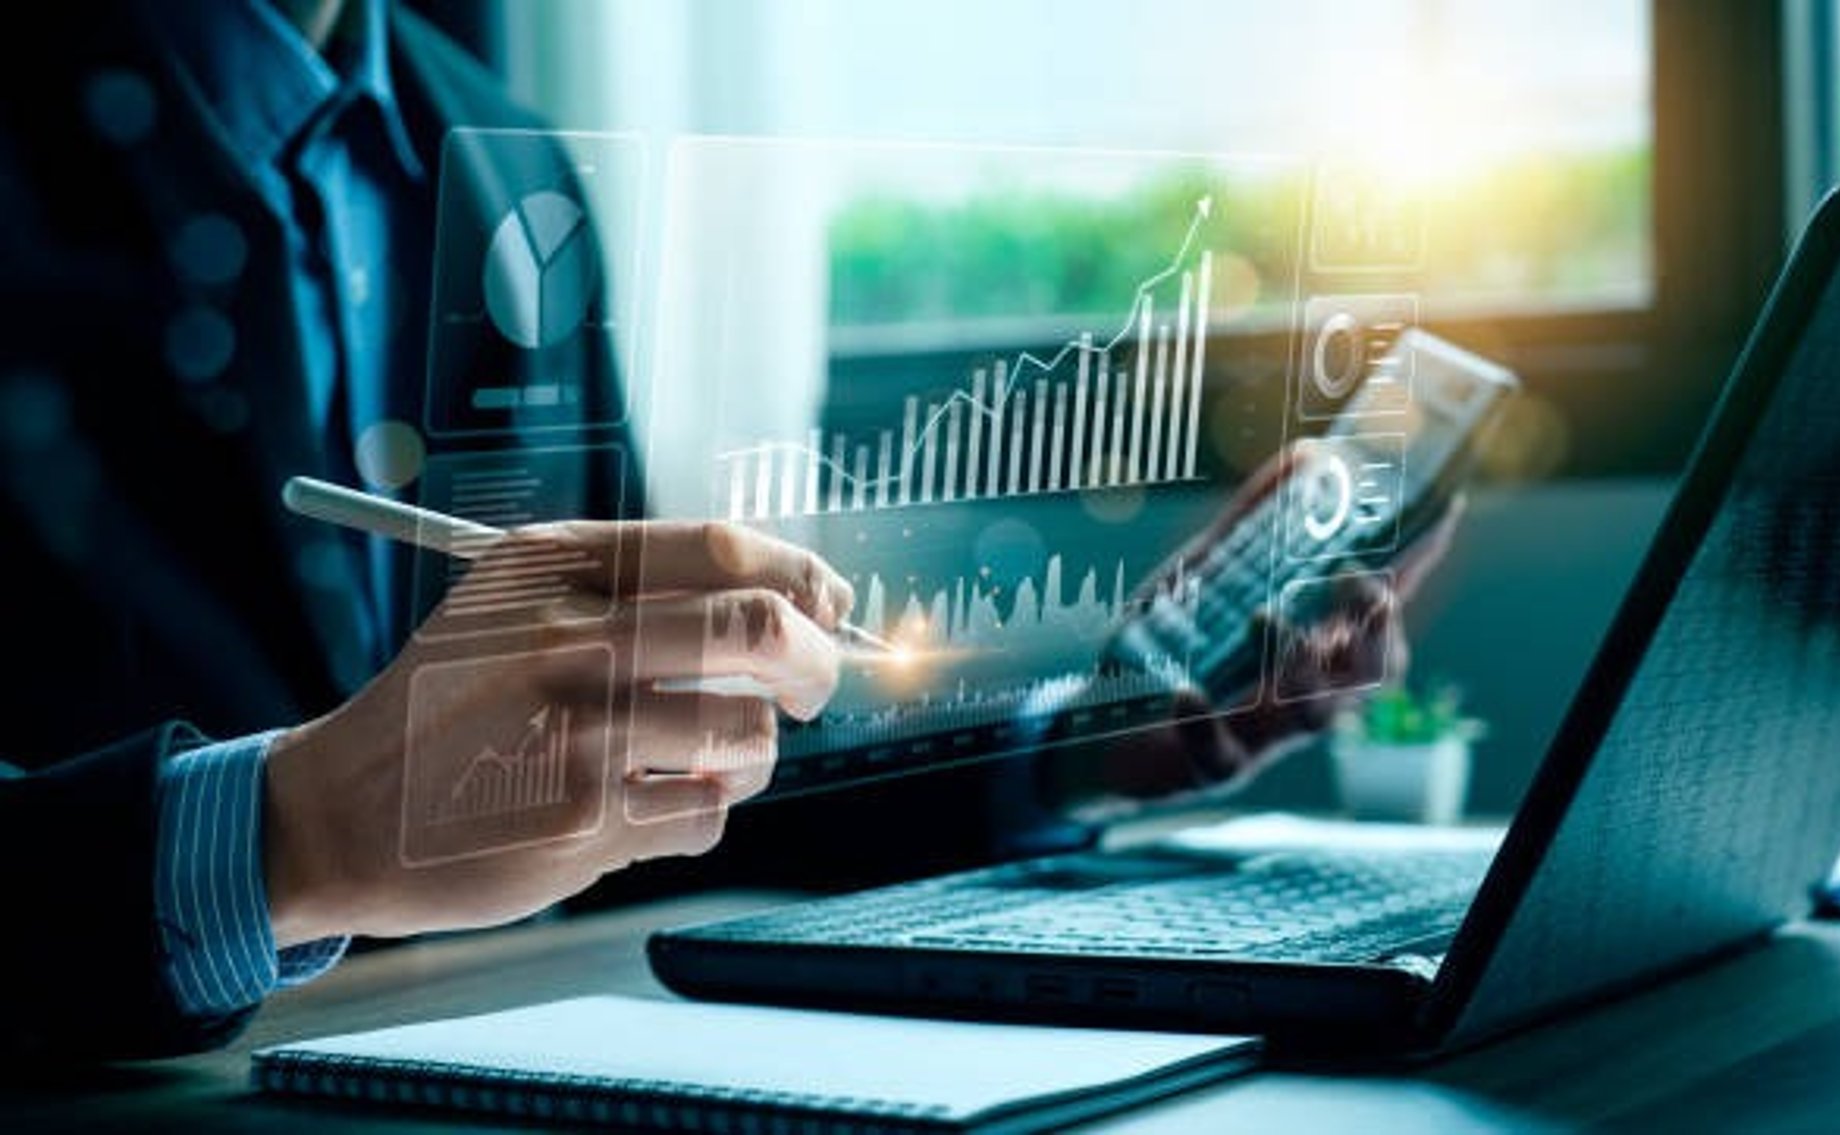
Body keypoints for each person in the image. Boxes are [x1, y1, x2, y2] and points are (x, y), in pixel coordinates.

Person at [0, 0, 1447, 1062]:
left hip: (459, 1059)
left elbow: (639, 730)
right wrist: (290, 837)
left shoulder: (499, 155)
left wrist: (1094, 734)